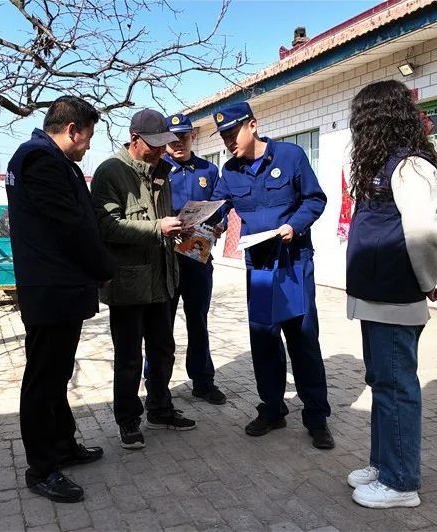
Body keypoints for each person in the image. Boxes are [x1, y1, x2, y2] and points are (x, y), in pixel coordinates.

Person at [5, 96, 115, 503]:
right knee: (43, 380)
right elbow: (70, 226)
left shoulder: (46, 158)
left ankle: (63, 445)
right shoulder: (40, 160)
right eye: (88, 137)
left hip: (58, 290)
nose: (88, 145)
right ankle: (42, 469)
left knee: (57, 375)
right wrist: (103, 266)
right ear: (72, 130)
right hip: (51, 290)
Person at [344, 80, 437, 509]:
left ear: (378, 120)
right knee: (381, 383)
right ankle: (383, 464)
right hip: (375, 296)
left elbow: (424, 235)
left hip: (395, 297)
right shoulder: (383, 165)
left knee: (396, 387)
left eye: (361, 119)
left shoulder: (411, 167)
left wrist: (425, 281)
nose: (357, 128)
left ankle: (401, 483)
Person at [211, 102, 334, 450]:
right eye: (223, 136)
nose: (228, 142)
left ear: (252, 125)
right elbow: (218, 207)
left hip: (293, 263)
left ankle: (316, 417)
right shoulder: (230, 171)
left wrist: (294, 226)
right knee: (264, 339)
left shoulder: (291, 156)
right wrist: (210, 224)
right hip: (260, 267)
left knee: (302, 338)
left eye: (232, 133)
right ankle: (272, 409)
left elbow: (315, 199)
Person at [91, 108, 197, 451]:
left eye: (164, 144)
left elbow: (161, 221)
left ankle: (160, 408)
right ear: (134, 139)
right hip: (128, 284)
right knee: (129, 358)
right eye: (154, 144)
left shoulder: (162, 170)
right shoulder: (111, 172)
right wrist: (157, 228)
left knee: (163, 350)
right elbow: (106, 227)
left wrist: (179, 229)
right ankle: (128, 420)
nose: (161, 151)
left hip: (162, 278)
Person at [162, 113, 226, 405]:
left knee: (198, 321)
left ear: (193, 136)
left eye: (183, 137)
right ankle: (158, 386)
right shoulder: (157, 169)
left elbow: (220, 207)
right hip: (166, 258)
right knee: (161, 324)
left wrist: (221, 224)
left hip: (198, 257)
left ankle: (203, 382)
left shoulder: (208, 170)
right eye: (172, 138)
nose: (178, 143)